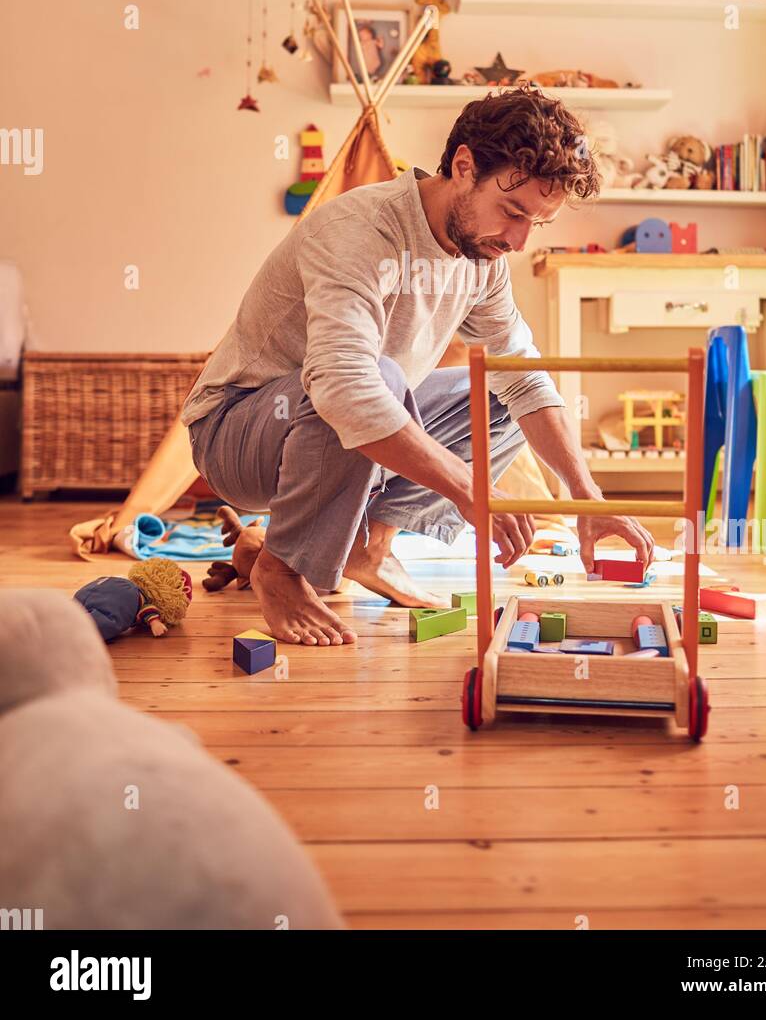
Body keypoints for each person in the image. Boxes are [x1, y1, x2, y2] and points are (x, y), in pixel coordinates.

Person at [181, 87, 653, 646]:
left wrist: (586, 495)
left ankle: (370, 548)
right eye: (513, 212)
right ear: (463, 166)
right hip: (236, 435)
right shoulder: (358, 231)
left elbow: (523, 375)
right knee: (369, 380)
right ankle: (281, 569)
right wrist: (469, 488)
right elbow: (344, 388)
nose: (520, 240)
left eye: (538, 224)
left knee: (498, 394)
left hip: (337, 422)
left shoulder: (482, 257)